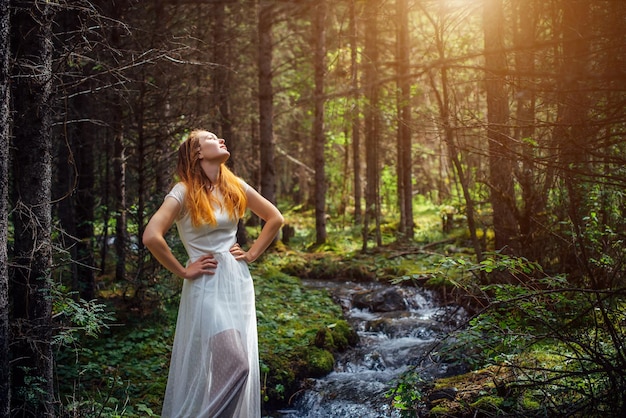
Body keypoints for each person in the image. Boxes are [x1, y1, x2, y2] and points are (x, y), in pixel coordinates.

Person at [142, 129, 284, 418]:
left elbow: (275, 218)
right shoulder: (182, 191)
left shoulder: (234, 185)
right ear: (197, 152)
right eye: (211, 138)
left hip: (237, 282)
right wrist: (183, 269)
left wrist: (252, 253)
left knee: (226, 373)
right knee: (237, 366)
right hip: (206, 283)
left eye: (221, 137)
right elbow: (151, 236)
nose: (221, 140)